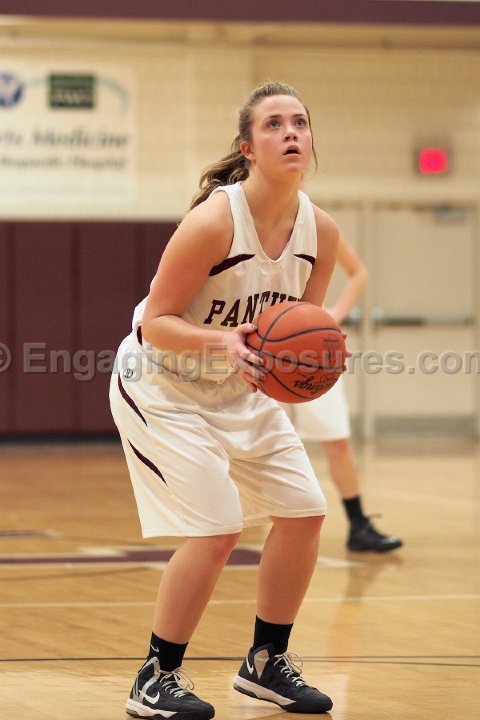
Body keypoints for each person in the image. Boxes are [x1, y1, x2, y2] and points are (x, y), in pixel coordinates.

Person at [110, 81, 340, 720]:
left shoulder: (320, 231)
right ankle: (155, 676)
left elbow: (303, 328)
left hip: (240, 387)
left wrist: (307, 366)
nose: (290, 132)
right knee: (217, 528)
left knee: (304, 511)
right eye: (274, 124)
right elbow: (154, 324)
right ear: (248, 148)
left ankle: (265, 663)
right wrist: (223, 342)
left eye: (300, 122)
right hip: (162, 383)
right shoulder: (215, 221)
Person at [282, 235, 403, 553]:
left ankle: (358, 525)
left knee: (338, 440)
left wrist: (334, 314)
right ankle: (232, 526)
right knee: (247, 439)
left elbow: (358, 271)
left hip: (310, 343)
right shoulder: (244, 226)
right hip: (261, 340)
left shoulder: (317, 226)